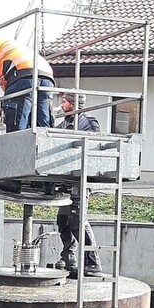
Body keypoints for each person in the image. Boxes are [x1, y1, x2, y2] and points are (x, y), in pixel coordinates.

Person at [55, 94, 103, 275]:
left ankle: (92, 263)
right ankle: (70, 258)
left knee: (77, 220)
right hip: (69, 179)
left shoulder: (88, 122)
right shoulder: (65, 122)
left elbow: (94, 144)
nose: (62, 104)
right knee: (63, 221)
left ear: (74, 104)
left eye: (65, 102)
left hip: (82, 177)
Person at [0, 38, 55, 132]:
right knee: (42, 121)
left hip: (24, 73)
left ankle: (19, 144)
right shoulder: (12, 50)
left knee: (18, 125)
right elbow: (11, 90)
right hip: (47, 75)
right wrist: (3, 105)